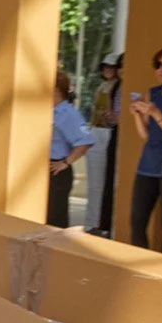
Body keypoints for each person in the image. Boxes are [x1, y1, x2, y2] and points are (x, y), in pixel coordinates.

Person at [47, 71, 95, 228]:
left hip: (56, 171)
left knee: (55, 220)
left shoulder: (68, 114)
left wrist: (66, 162)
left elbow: (85, 141)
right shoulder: (46, 110)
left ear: (55, 89)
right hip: (43, 169)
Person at [126, 48, 162, 249]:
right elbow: (147, 135)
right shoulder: (154, 93)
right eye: (158, 65)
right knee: (137, 220)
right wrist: (137, 116)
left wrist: (156, 113)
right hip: (148, 165)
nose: (161, 69)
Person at [86, 52, 123, 235]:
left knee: (103, 182)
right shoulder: (103, 85)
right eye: (106, 67)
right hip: (97, 130)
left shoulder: (118, 87)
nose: (109, 70)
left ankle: (99, 222)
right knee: (94, 183)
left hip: (107, 133)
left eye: (112, 67)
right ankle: (92, 221)